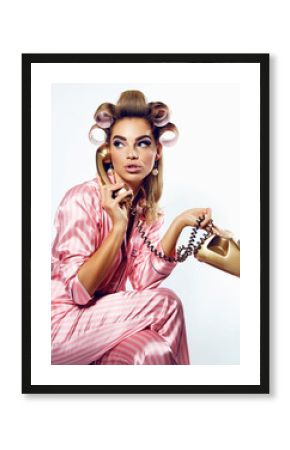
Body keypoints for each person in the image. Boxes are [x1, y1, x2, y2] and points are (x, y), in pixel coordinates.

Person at [51, 90, 214, 365]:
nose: (131, 154)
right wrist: (117, 228)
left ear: (157, 151)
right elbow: (79, 292)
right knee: (167, 302)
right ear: (106, 152)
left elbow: (139, 284)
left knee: (152, 351)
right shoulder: (81, 199)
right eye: (119, 143)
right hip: (61, 328)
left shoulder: (144, 211)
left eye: (142, 144)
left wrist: (178, 224)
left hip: (103, 327)